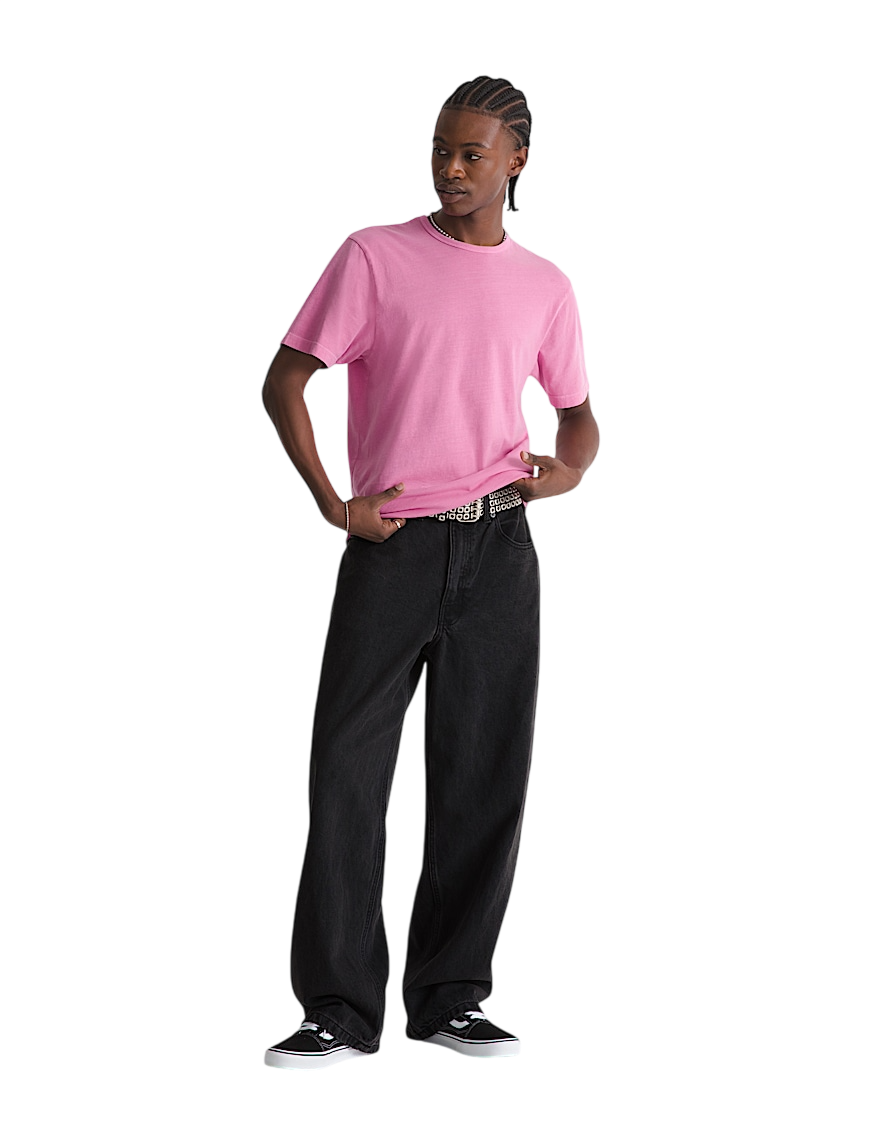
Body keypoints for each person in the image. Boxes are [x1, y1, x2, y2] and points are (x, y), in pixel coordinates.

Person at [261, 78, 599, 1071]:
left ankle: (453, 998)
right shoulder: (374, 256)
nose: (450, 169)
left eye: (471, 154)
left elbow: (578, 412)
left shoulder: (546, 284)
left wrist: (573, 468)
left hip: (500, 551)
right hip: (394, 547)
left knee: (485, 775)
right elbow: (286, 381)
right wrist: (335, 504)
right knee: (347, 774)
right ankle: (336, 1011)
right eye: (440, 151)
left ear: (516, 163)